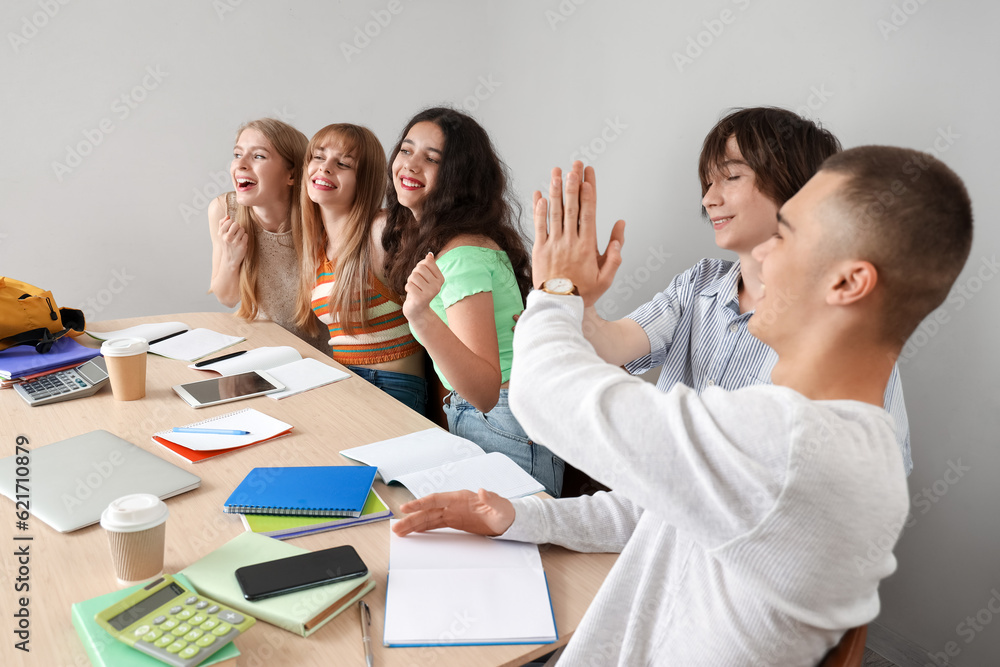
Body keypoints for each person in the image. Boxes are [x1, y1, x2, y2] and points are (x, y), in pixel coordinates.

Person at [393, 150, 973, 664]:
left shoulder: (798, 445)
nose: (760, 255)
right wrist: (520, 517)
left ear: (849, 283)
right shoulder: (807, 428)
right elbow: (661, 514)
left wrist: (557, 292)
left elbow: (546, 396)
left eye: (785, 235)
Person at [583, 107, 912, 473]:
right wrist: (578, 300)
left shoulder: (846, 324)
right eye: (708, 183)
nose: (709, 199)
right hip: (657, 516)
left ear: (798, 189)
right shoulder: (698, 284)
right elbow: (609, 345)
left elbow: (873, 473)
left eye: (731, 177)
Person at [382, 107, 564, 496]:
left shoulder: (463, 256)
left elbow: (483, 390)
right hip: (496, 421)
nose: (410, 165)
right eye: (407, 150)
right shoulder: (449, 243)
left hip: (501, 423)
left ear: (458, 179)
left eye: (432, 159)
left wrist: (420, 316)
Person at [293, 123, 426, 413]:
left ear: (363, 180)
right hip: (342, 380)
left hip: (390, 386)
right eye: (318, 157)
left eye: (342, 164)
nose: (325, 168)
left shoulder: (382, 231)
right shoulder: (317, 250)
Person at [207, 118, 329, 353]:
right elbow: (228, 298)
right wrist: (231, 259)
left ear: (291, 175)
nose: (240, 165)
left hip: (322, 357)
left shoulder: (320, 215)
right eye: (237, 154)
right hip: (264, 351)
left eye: (258, 156)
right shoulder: (224, 210)